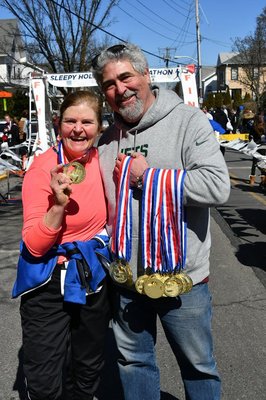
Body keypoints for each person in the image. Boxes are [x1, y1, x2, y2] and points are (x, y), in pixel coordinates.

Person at [92, 42, 230, 400]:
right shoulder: (107, 140)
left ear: (146, 75)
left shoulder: (188, 121)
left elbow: (218, 187)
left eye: (126, 77)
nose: (119, 89)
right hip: (125, 282)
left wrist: (151, 176)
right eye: (109, 84)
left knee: (198, 367)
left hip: (181, 283)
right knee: (133, 363)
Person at [12, 90, 111, 400]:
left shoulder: (104, 162)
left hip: (90, 276)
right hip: (47, 280)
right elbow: (35, 246)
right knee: (44, 377)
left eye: (87, 121)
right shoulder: (42, 168)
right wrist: (57, 205)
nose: (78, 129)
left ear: (99, 126)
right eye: (70, 121)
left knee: (88, 366)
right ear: (58, 124)